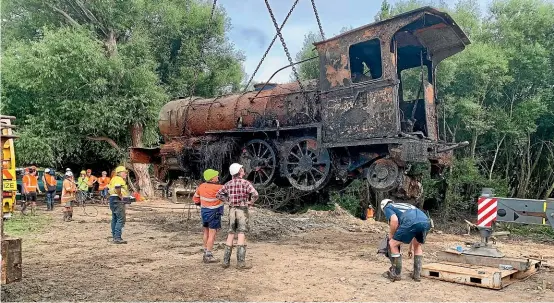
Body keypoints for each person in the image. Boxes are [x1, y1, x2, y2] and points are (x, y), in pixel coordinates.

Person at [216, 163, 259, 269]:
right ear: (239, 171)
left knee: (230, 233)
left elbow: (218, 195)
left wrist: (227, 201)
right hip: (242, 210)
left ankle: (226, 262)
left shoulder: (228, 184)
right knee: (241, 233)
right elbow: (255, 194)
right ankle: (240, 263)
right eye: (242, 169)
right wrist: (250, 202)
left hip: (232, 210)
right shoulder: (245, 183)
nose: (243, 170)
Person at [381, 198, 431, 282]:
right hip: (425, 221)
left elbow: (394, 220)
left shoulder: (388, 207)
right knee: (417, 245)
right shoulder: (405, 206)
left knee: (392, 244)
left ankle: (396, 274)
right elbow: (415, 223)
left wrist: (392, 236)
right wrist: (410, 248)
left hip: (411, 221)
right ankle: (417, 275)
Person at [193, 169, 224, 263]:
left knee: (206, 232)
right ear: (212, 178)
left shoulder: (201, 186)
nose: (218, 177)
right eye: (216, 176)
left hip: (204, 212)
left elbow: (195, 200)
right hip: (214, 213)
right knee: (212, 234)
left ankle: (205, 251)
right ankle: (209, 255)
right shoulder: (220, 188)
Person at [108, 166, 130, 244]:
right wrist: (121, 196)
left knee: (115, 218)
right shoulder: (118, 179)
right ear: (119, 173)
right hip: (117, 200)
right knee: (121, 219)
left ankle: (115, 236)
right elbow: (118, 187)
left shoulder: (113, 179)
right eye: (124, 172)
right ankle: (117, 238)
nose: (126, 174)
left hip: (112, 199)